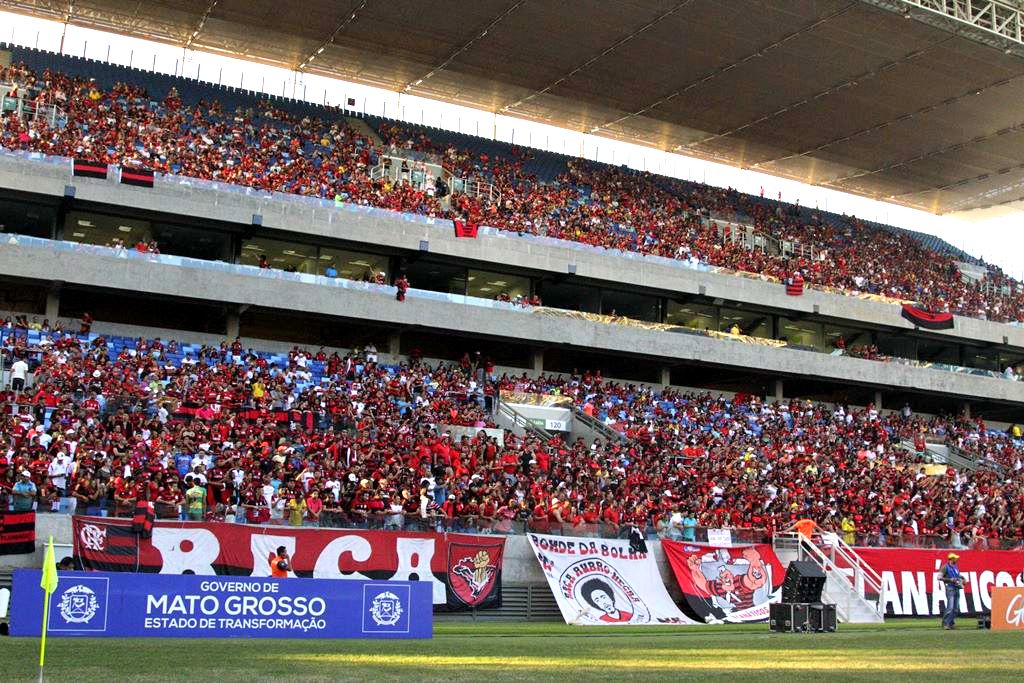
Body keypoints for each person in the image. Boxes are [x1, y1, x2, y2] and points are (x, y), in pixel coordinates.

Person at [939, 552, 966, 630]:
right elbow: (939, 577)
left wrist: (963, 578)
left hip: (956, 587)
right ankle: (945, 623)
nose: (956, 559)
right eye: (955, 558)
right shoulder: (945, 567)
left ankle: (951, 623)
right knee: (950, 607)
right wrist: (950, 579)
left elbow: (958, 575)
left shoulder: (955, 567)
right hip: (950, 587)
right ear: (951, 559)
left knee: (955, 608)